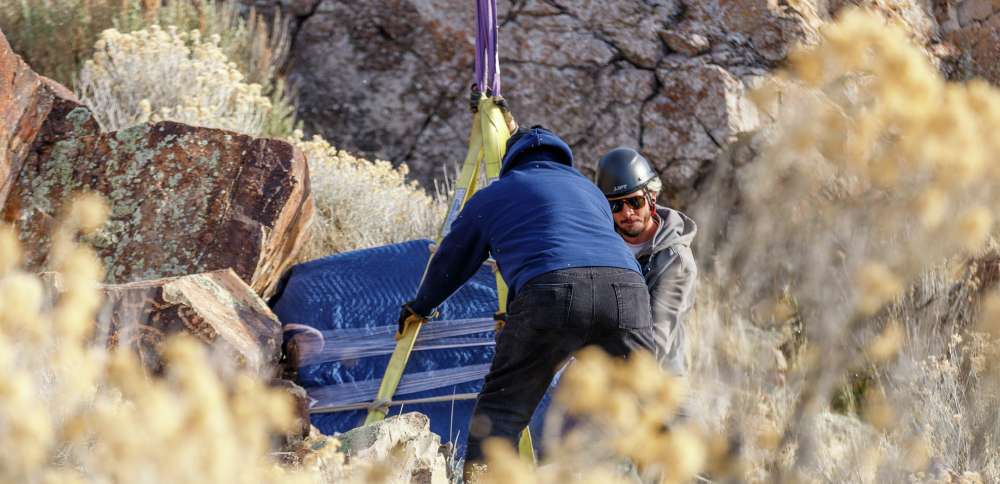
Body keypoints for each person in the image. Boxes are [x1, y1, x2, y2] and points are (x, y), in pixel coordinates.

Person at [397, 125, 657, 476]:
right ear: (560, 157)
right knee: (647, 407)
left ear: (512, 162)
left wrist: (422, 305)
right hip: (627, 290)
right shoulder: (589, 191)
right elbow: (579, 248)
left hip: (552, 291)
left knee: (500, 416)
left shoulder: (495, 195)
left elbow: (452, 260)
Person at [595, 147, 698, 376]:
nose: (627, 212)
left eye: (635, 201)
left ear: (651, 197)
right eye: (616, 205)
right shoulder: (600, 245)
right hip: (605, 379)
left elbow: (655, 342)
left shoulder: (676, 261)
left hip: (658, 383)